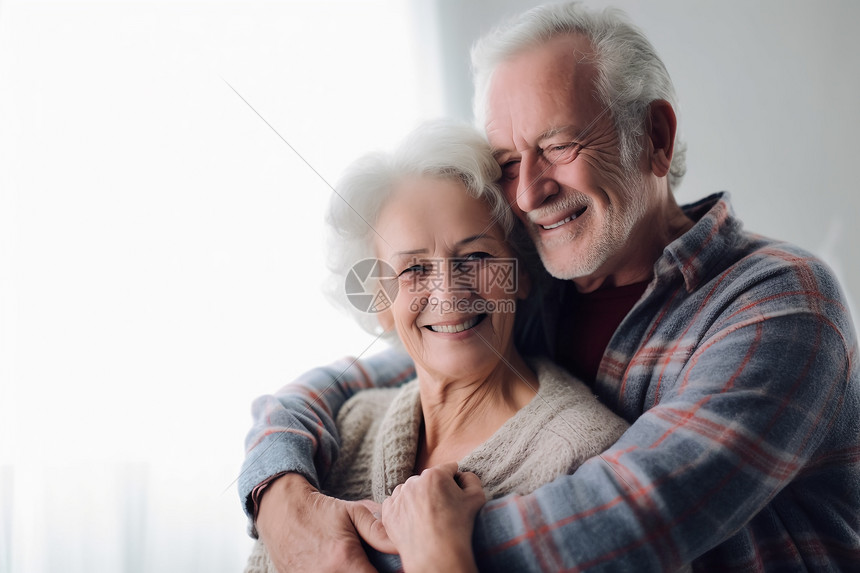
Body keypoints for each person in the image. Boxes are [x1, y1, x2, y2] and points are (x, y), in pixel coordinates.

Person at [240, 3, 860, 571]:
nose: (530, 192)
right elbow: (383, 367)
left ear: (655, 138)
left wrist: (401, 543)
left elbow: (630, 518)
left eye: (559, 146)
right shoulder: (540, 276)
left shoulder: (780, 303)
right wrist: (280, 493)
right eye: (509, 163)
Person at [243, 121, 629, 573]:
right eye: (413, 270)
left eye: (477, 258)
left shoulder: (590, 457)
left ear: (520, 273)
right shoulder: (347, 429)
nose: (448, 293)